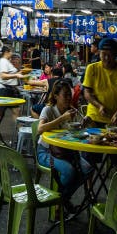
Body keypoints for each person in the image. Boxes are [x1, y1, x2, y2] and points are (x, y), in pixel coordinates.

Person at [36, 80, 92, 211]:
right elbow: (40, 129)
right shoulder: (48, 110)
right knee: (69, 171)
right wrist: (62, 118)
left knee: (88, 169)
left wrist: (84, 123)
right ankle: (59, 204)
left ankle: (62, 200)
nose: (69, 98)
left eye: (70, 94)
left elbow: (77, 132)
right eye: (65, 95)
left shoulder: (71, 111)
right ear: (55, 96)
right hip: (46, 152)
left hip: (66, 152)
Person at [82, 38, 117, 127]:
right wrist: (99, 106)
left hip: (116, 119)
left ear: (115, 54)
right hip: (94, 117)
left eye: (110, 55)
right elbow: (87, 93)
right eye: (104, 54)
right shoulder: (91, 68)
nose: (107, 58)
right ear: (99, 53)